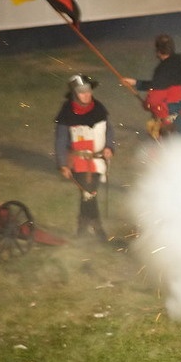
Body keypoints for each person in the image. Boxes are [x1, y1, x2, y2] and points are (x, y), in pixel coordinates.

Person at [54, 74, 115, 241]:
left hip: (98, 161)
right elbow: (61, 140)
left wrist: (109, 146)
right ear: (75, 93)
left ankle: (82, 229)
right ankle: (97, 229)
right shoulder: (67, 112)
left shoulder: (99, 108)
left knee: (88, 194)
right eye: (81, 92)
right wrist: (63, 164)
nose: (86, 95)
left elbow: (109, 130)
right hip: (78, 162)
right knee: (89, 193)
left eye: (88, 91)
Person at [123, 33, 181, 138]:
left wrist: (147, 105)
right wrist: (136, 83)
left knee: (168, 136)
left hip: (167, 109)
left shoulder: (163, 69)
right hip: (178, 104)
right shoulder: (176, 62)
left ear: (159, 51)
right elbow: (159, 84)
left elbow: (156, 96)